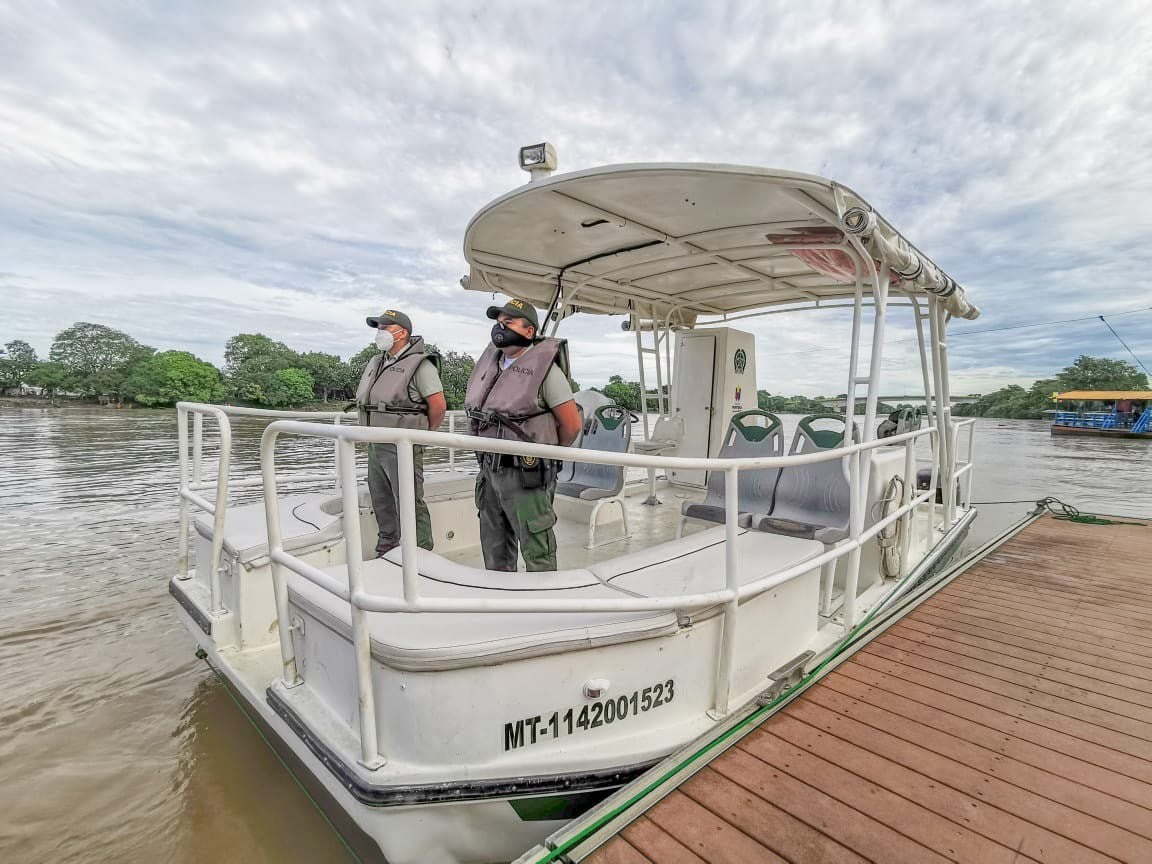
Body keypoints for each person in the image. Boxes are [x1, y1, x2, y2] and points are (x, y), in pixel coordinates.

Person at [464, 298, 582, 571]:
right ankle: (502, 601)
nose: (499, 328)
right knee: (494, 546)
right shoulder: (490, 365)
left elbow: (572, 425)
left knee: (536, 548)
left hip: (526, 474)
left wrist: (545, 454)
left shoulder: (546, 372)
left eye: (508, 322)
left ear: (529, 331)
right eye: (497, 322)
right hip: (489, 471)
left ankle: (542, 606)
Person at [355, 309, 446, 556]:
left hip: (403, 445)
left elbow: (438, 406)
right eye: (378, 328)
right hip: (375, 443)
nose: (379, 333)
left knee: (409, 502)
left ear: (402, 333)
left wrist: (422, 436)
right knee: (381, 500)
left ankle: (421, 555)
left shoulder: (420, 365)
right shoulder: (378, 362)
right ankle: (387, 549)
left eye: (384, 328)